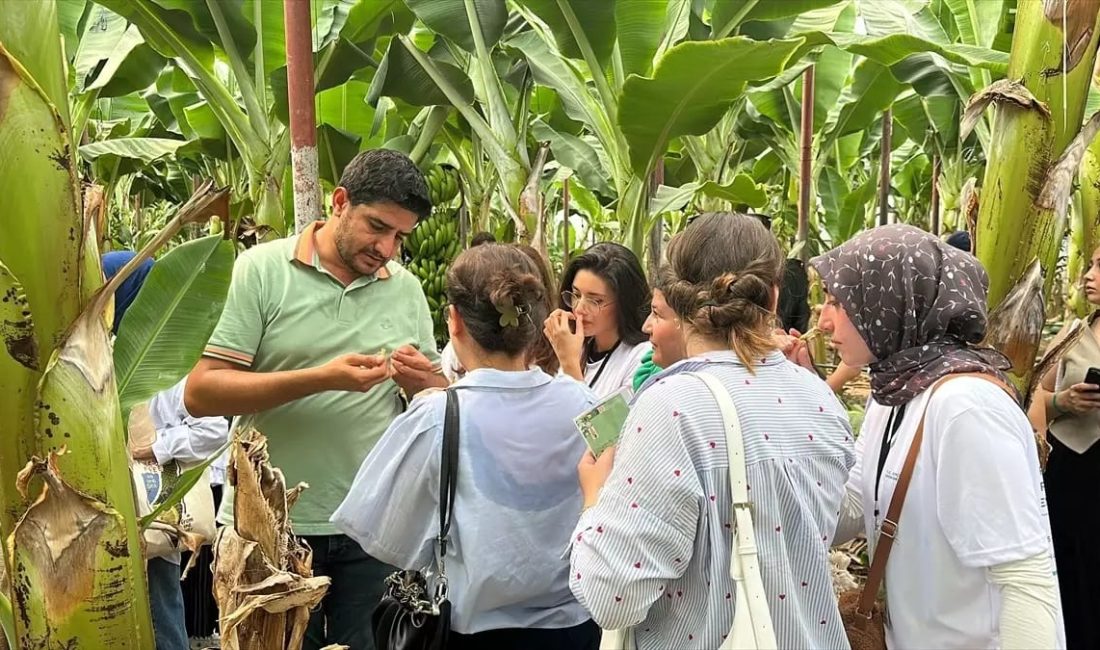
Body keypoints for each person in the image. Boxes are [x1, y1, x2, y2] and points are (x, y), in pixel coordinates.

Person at [185, 149, 445, 650]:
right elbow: (202, 392)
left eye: (400, 237)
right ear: (340, 202)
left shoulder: (407, 289)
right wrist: (320, 378)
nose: (387, 248)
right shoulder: (260, 271)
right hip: (269, 524)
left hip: (372, 525)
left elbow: (431, 399)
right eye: (377, 227)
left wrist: (423, 384)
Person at [569, 213, 855, 648]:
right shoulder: (818, 397)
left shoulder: (674, 407)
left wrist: (594, 496)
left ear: (679, 301)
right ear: (773, 296)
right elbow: (831, 521)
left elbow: (613, 597)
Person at [332, 244, 600, 649]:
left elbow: (384, 536)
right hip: (575, 630)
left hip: (470, 630)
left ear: (455, 321)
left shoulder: (436, 417)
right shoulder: (588, 406)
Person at [814, 224, 1063, 649]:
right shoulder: (894, 393)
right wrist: (788, 405)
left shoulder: (966, 407)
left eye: (839, 301)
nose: (822, 320)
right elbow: (856, 506)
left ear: (892, 302)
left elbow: (1025, 580)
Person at [103, 251, 229, 650]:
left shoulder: (172, 357)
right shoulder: (97, 353)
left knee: (160, 608)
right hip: (104, 506)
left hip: (149, 503)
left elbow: (212, 430)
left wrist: (155, 446)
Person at [1029, 243, 1100, 649]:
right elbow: (1037, 394)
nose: (1088, 275)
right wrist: (1063, 401)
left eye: (1099, 267)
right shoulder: (1074, 332)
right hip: (1069, 471)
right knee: (1070, 572)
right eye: (1089, 264)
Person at [544, 242, 651, 397]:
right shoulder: (577, 345)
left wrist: (570, 364)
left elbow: (604, 422)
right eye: (576, 295)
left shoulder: (641, 358)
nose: (579, 309)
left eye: (596, 301)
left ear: (625, 303)